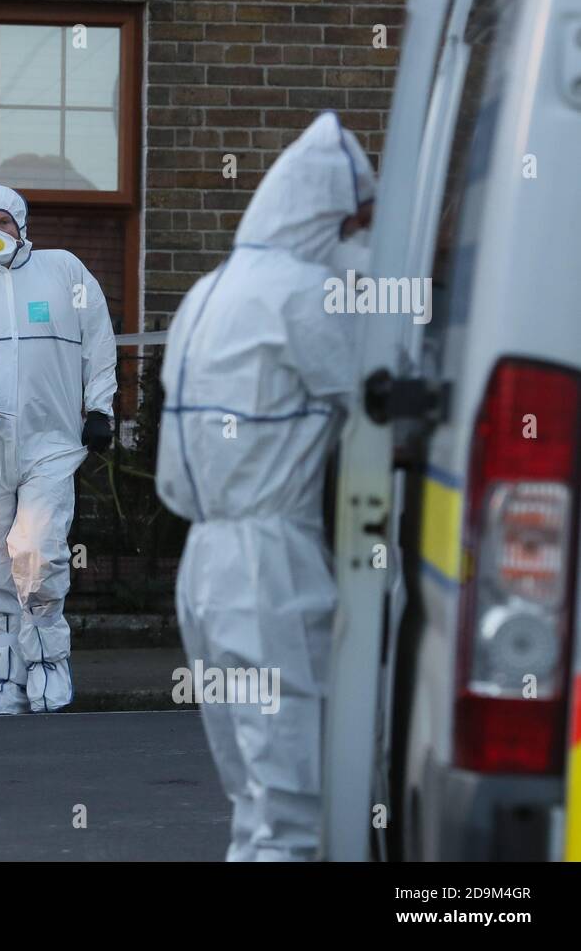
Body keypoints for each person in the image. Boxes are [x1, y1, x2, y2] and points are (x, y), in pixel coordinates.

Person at [155, 112, 377, 860]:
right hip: (270, 565)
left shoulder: (208, 292)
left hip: (205, 566)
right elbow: (385, 401)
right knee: (297, 798)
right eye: (360, 223)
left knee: (253, 794)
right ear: (329, 217)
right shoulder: (307, 295)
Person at [0, 184, 117, 715]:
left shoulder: (65, 271)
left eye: (4, 223)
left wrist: (100, 407)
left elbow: (98, 338)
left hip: (50, 441)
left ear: (21, 225)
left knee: (38, 551)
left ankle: (47, 664)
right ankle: (2, 673)